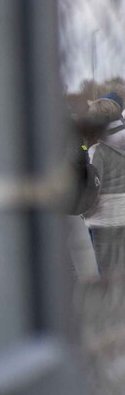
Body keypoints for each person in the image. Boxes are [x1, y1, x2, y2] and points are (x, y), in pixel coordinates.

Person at [82, 97, 125, 275]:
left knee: (108, 274)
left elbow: (92, 187)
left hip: (103, 221)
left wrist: (84, 212)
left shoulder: (97, 151)